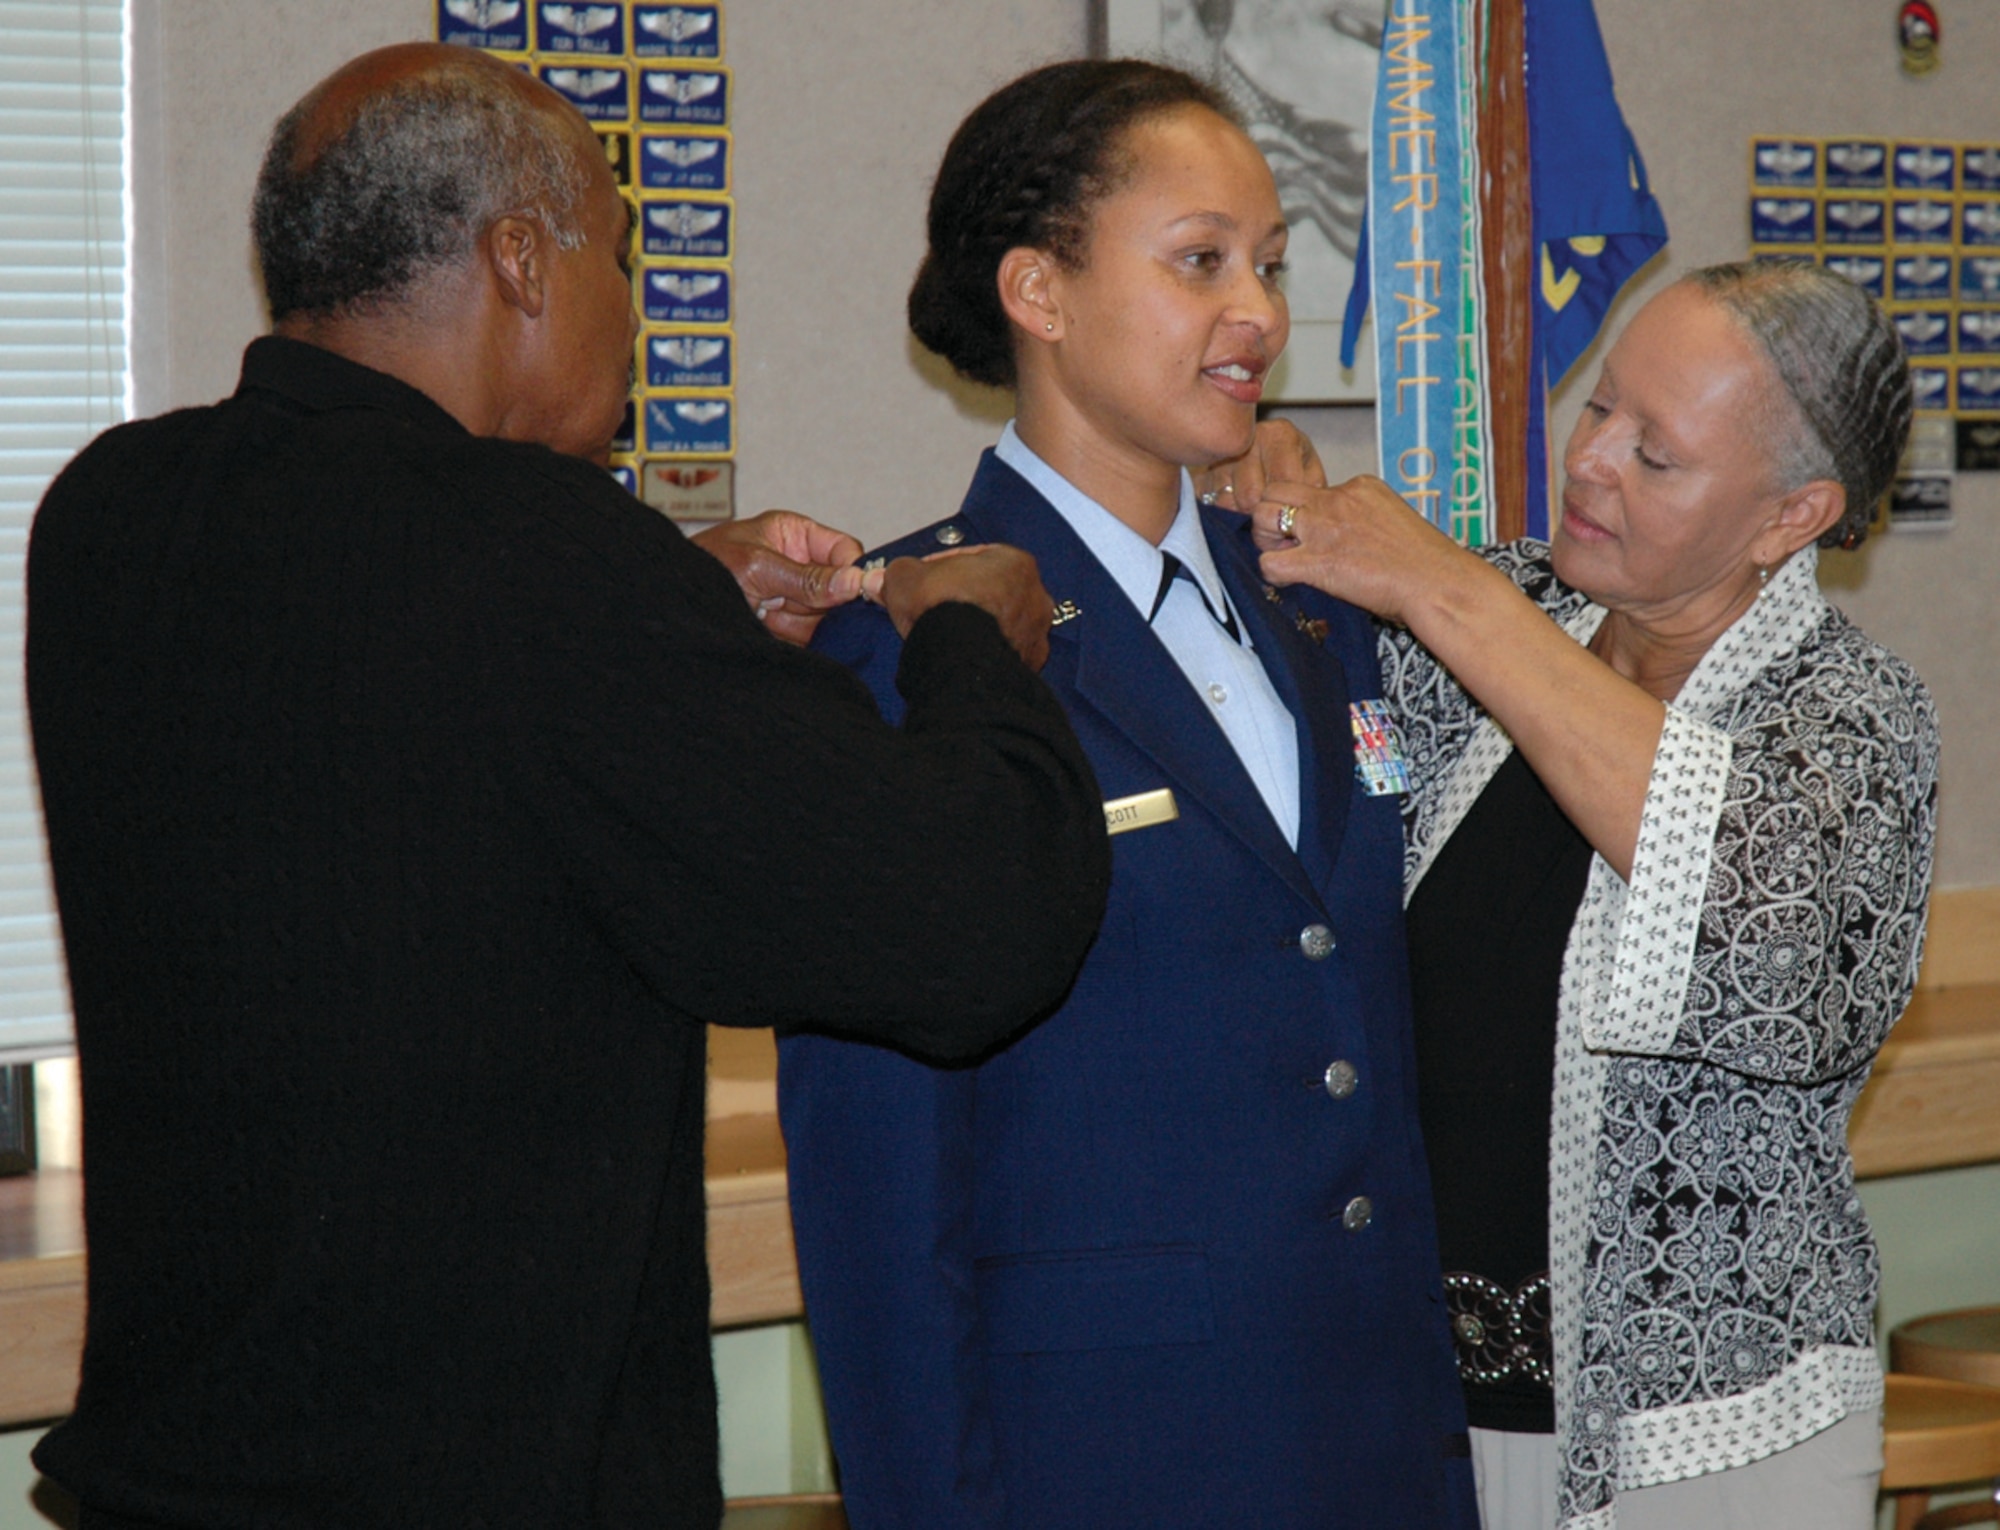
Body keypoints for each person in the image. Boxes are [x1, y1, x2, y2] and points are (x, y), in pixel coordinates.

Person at [24, 43, 1112, 1530]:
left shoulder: (111, 512)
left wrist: (663, 608)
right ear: (522, 261)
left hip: (168, 1474)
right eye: (617, 249)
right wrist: (981, 642)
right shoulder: (534, 555)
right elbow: (969, 924)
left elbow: (402, 754)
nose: (637, 314)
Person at [779, 59, 1476, 1529]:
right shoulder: (914, 643)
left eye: (1273, 265)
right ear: (1038, 289)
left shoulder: (1320, 612)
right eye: (1201, 262)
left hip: (1372, 1437)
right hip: (1102, 1453)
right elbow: (880, 1188)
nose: (1262, 316)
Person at [1234, 260, 1938, 1530]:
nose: (1591, 458)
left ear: (1791, 517)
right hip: (1426, 1410)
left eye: (1653, 455)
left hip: (1710, 1443)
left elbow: (1771, 966)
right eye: (1600, 405)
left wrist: (1451, 591)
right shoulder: (1501, 620)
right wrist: (1265, 484)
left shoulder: (1850, 721)